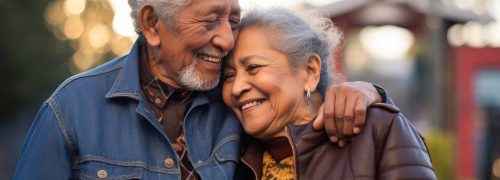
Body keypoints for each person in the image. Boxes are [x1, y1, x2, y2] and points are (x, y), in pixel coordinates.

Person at [14, 0, 388, 179]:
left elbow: (301, 116)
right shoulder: (71, 110)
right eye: (210, 21)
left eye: (233, 20)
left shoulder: (240, 103)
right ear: (152, 23)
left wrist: (367, 92)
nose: (226, 39)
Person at [222, 8, 436, 179]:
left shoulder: (376, 129)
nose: (237, 87)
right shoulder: (229, 158)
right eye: (229, 76)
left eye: (253, 68)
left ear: (310, 70)